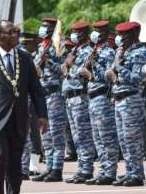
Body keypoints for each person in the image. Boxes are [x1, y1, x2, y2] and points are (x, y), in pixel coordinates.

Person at [0, 20, 48, 194]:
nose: (16, 35)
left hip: (19, 119)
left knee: (15, 164)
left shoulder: (25, 57)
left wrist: (42, 115)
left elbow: (35, 89)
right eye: (11, 32)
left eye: (16, 31)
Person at [106, 21, 146, 186]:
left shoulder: (140, 53)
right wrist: (111, 71)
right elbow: (111, 72)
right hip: (118, 98)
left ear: (133, 34)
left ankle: (136, 174)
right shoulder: (119, 52)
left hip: (131, 99)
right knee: (123, 139)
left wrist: (120, 68)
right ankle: (130, 171)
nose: (120, 38)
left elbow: (138, 79)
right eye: (119, 34)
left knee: (132, 139)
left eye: (124, 34)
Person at [79, 20, 119, 185]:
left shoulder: (109, 52)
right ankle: (103, 170)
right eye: (94, 29)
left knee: (106, 137)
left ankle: (110, 172)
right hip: (92, 97)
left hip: (103, 97)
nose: (95, 33)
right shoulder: (92, 51)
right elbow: (83, 73)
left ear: (105, 33)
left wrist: (94, 64)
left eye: (98, 30)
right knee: (97, 138)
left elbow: (109, 77)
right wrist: (86, 67)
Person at [32, 17, 68, 182]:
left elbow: (63, 70)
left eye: (46, 27)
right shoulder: (41, 46)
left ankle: (57, 169)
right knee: (45, 134)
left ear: (53, 29)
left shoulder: (58, 46)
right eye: (42, 26)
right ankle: (49, 167)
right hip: (42, 94)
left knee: (56, 134)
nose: (42, 28)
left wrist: (49, 61)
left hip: (55, 94)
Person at [62, 21, 95, 184]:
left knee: (83, 135)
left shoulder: (88, 51)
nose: (73, 35)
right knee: (76, 136)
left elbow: (83, 72)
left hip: (80, 97)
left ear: (82, 34)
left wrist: (70, 65)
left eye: (76, 32)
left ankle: (87, 169)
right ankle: (81, 168)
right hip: (70, 97)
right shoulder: (75, 50)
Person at [19, 32, 43, 180]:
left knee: (34, 131)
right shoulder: (22, 57)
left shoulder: (38, 57)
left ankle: (34, 164)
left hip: (35, 98)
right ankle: (23, 166)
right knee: (24, 132)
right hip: (24, 98)